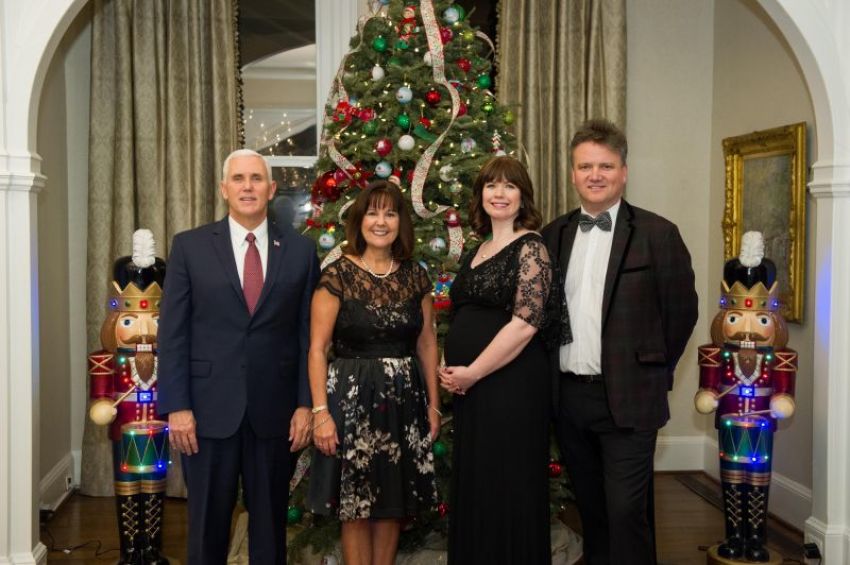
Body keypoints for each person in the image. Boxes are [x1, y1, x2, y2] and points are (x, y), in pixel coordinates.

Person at [541, 119, 699, 565]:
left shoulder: (657, 235)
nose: (595, 175)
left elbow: (681, 314)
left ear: (624, 172)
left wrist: (650, 370)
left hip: (630, 399)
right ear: (572, 173)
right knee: (590, 511)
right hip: (569, 399)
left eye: (605, 166)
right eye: (585, 166)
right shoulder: (553, 236)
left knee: (627, 510)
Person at [158, 149, 319, 564]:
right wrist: (177, 406)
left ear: (271, 189)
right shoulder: (189, 247)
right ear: (224, 189)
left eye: (256, 179)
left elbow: (308, 335)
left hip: (276, 412)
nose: (248, 186)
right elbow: (172, 333)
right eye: (239, 179)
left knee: (270, 531)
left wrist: (306, 404)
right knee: (207, 527)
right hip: (206, 412)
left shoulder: (301, 252)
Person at [439, 155, 565, 565]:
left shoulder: (532, 248)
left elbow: (525, 324)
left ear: (522, 196)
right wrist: (450, 366)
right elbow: (461, 314)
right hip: (473, 390)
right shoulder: (476, 250)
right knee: (479, 483)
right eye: (491, 185)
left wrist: (473, 371)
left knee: (508, 483)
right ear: (481, 195)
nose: (499, 193)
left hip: (512, 386)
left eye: (509, 186)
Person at [307, 180, 440, 565]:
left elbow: (427, 343)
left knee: (393, 505)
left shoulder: (416, 276)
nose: (380, 221)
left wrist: (433, 405)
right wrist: (320, 414)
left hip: (404, 401)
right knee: (355, 506)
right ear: (359, 219)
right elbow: (317, 349)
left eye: (390, 213)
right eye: (372, 212)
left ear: (401, 222)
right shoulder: (337, 275)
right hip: (349, 399)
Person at [694, 231, 797, 562]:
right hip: (730, 428)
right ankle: (734, 535)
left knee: (758, 484)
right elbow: (707, 389)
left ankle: (756, 537)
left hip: (762, 432)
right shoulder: (717, 354)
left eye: (761, 319)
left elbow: (784, 392)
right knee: (732, 482)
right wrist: (707, 397)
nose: (747, 329)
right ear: (724, 319)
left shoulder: (779, 357)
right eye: (737, 318)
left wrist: (783, 401)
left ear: (773, 321)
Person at [87, 229, 169, 564]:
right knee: (127, 489)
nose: (144, 331)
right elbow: (100, 398)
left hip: (160, 429)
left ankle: (152, 550)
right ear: (115, 320)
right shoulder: (105, 359)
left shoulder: (171, 358)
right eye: (132, 320)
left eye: (156, 320)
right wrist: (102, 405)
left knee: (155, 489)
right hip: (124, 432)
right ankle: (129, 551)